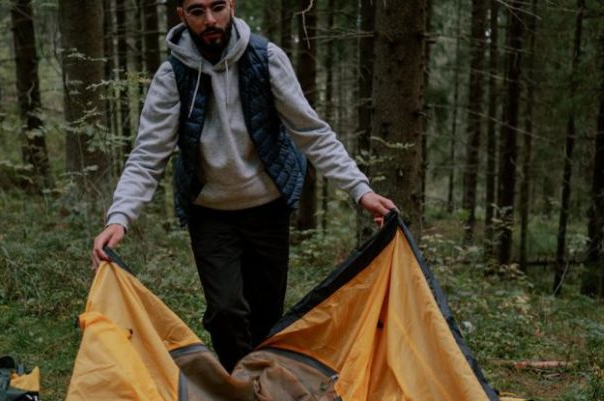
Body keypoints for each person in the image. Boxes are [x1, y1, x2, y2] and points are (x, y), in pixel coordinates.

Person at [92, 0, 396, 372]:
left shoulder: (266, 59)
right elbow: (147, 154)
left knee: (267, 318)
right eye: (197, 11)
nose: (210, 20)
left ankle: (263, 385)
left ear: (232, 6)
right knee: (226, 312)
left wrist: (360, 190)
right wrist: (119, 217)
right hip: (211, 213)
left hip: (268, 207)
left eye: (218, 7)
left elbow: (312, 133)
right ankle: (240, 389)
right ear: (182, 16)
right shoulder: (173, 76)